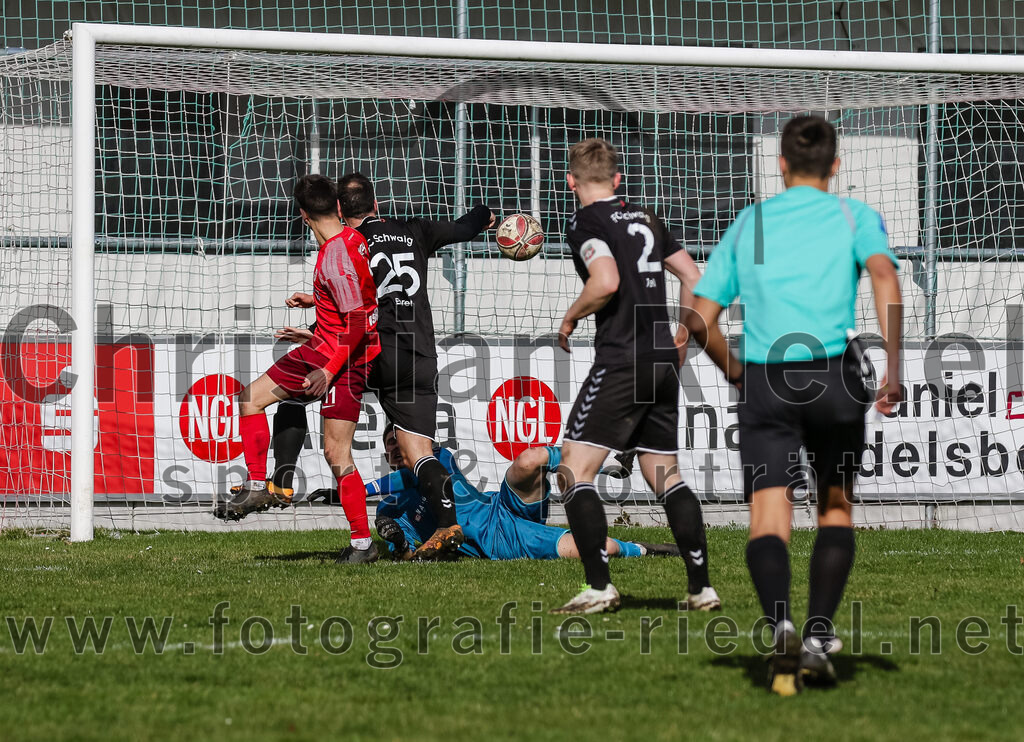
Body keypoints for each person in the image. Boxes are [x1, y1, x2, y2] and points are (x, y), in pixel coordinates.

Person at [686, 115, 903, 696]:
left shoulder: (751, 224)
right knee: (834, 508)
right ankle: (818, 636)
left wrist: (736, 371)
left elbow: (697, 319)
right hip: (833, 377)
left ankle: (780, 624)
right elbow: (884, 275)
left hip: (768, 381)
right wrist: (894, 368)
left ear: (780, 165)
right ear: (835, 165)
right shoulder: (853, 216)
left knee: (768, 515)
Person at [552, 138, 720, 615]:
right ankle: (701, 588)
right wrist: (683, 334)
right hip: (661, 358)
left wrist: (571, 317)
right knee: (664, 473)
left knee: (573, 468)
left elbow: (605, 281)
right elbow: (695, 278)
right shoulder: (646, 217)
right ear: (618, 179)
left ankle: (599, 587)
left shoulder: (585, 222)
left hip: (623, 358)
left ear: (571, 181)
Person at [214, 175, 383, 565]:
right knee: (253, 399)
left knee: (335, 452)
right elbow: (357, 296)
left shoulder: (334, 257)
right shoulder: (353, 238)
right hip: (328, 348)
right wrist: (318, 300)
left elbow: (357, 320)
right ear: (338, 207)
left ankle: (362, 543)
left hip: (341, 358)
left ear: (303, 214)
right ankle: (262, 485)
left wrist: (329, 370)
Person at [335, 173, 495, 561]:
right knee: (420, 454)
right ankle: (447, 525)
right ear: (376, 204)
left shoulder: (349, 244)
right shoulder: (415, 230)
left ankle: (278, 477)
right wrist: (486, 214)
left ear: (340, 211)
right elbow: (465, 227)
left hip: (377, 353)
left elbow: (347, 307)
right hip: (421, 354)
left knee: (319, 412)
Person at [369, 425, 679, 561]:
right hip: (500, 540)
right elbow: (409, 556)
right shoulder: (391, 509)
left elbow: (412, 476)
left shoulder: (439, 459)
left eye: (399, 441)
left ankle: (611, 462)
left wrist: (359, 489)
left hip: (500, 506)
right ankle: (642, 549)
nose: (395, 448)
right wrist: (398, 542)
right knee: (602, 548)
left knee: (530, 459)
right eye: (389, 446)